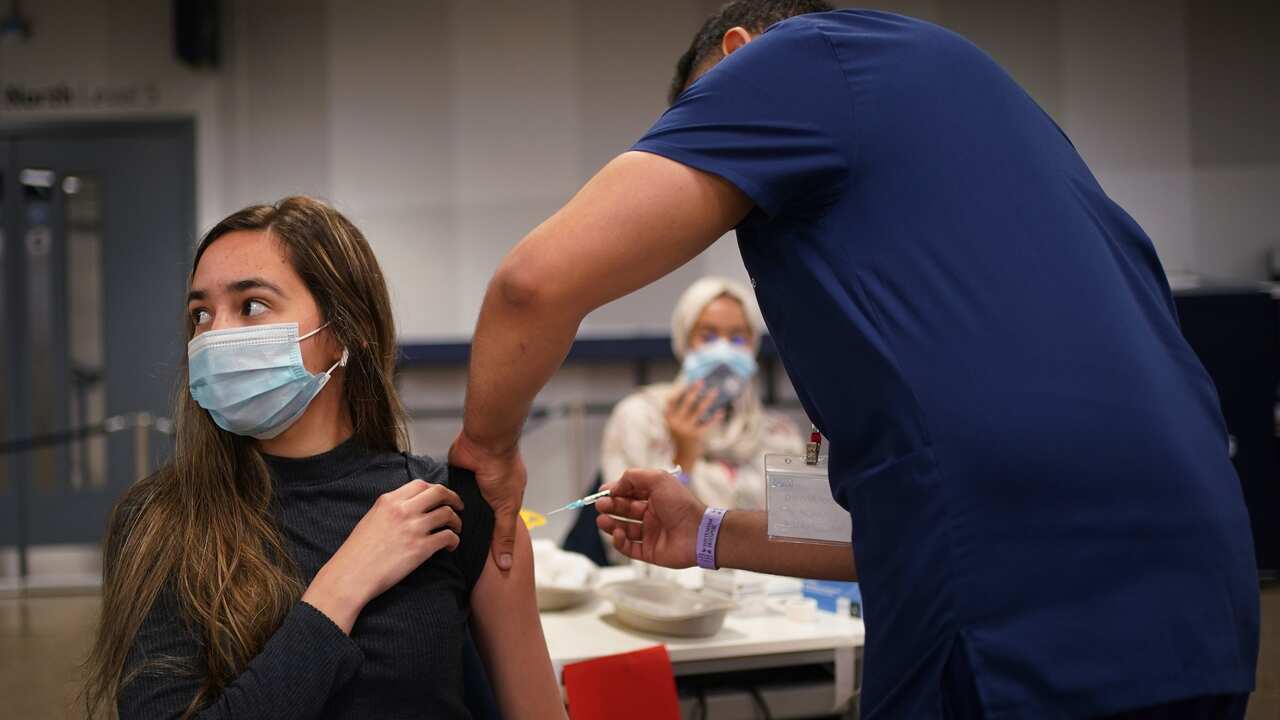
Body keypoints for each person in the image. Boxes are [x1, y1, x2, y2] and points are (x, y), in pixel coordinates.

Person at [451, 2, 1259, 719]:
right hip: (1202, 602)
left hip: (1021, 620)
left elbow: (531, 286)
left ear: (737, 57)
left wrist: (487, 451)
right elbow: (912, 513)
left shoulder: (790, 62)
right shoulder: (989, 117)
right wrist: (704, 532)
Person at [84, 197, 563, 719]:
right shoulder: (159, 520)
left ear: (342, 332)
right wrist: (344, 583)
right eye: (201, 314)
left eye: (251, 305)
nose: (215, 335)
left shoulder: (451, 506)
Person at [600, 276, 802, 513]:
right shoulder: (642, 417)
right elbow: (632, 528)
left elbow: (796, 527)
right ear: (685, 341)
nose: (724, 350)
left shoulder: (779, 435)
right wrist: (683, 457)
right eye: (708, 337)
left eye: (737, 338)